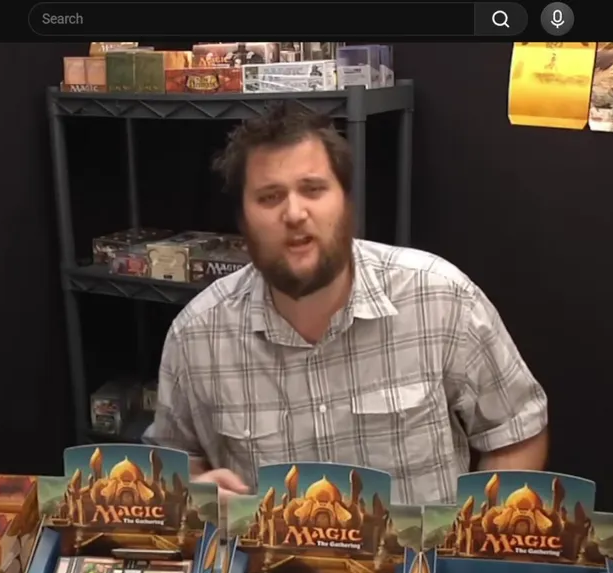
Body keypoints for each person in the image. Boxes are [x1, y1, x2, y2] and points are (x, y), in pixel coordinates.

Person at [144, 102, 549, 504]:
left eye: (313, 189)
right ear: (242, 221)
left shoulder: (442, 297)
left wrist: (478, 532)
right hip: (267, 549)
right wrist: (194, 490)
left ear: (346, 201)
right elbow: (174, 466)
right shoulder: (196, 335)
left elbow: (516, 432)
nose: (294, 213)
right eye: (270, 197)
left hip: (423, 549)